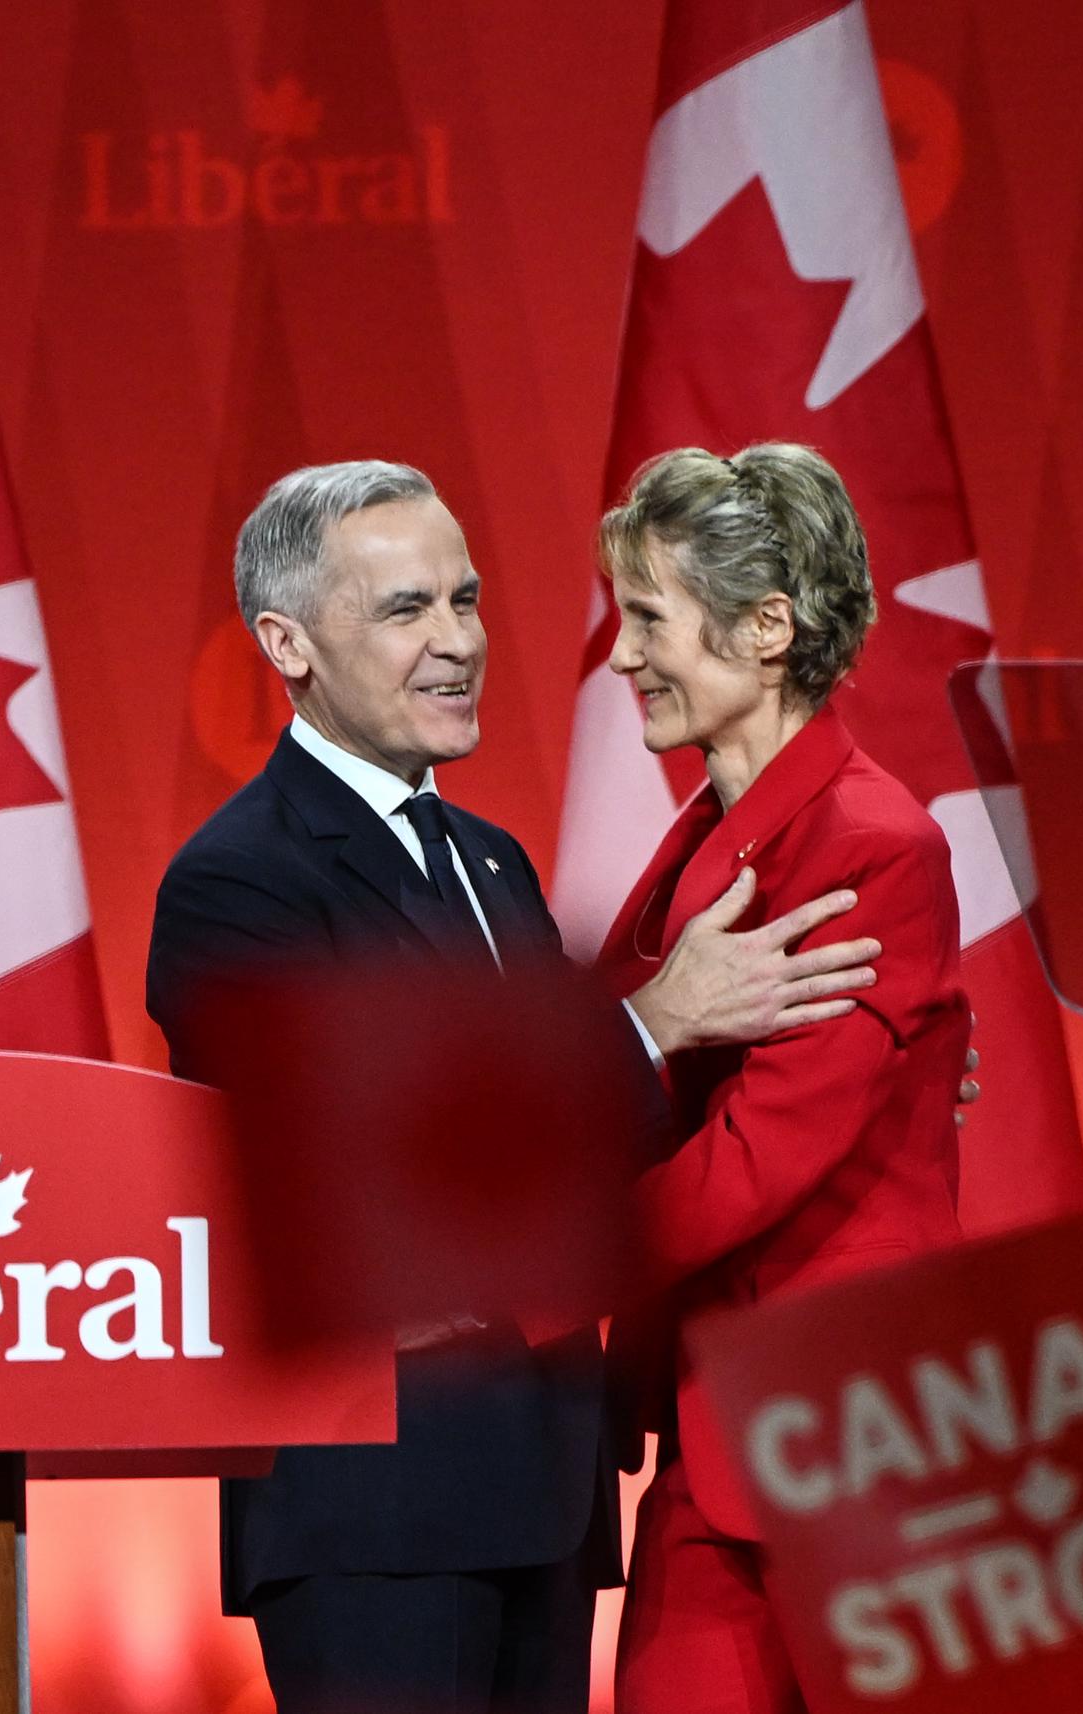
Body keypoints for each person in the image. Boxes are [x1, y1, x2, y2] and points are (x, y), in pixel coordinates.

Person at [144, 459, 886, 1714]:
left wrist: (878, 1058)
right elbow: (359, 1181)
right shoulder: (239, 882)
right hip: (377, 1510)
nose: (458, 643)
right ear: (288, 643)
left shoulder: (487, 863)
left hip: (539, 1493)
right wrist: (651, 1025)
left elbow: (580, 1159)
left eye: (467, 599)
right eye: (406, 610)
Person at [592, 444, 974, 1714]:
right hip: (721, 1418)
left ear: (766, 627)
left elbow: (764, 1151)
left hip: (850, 1438)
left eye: (648, 617)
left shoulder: (875, 845)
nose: (623, 655)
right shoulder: (706, 836)